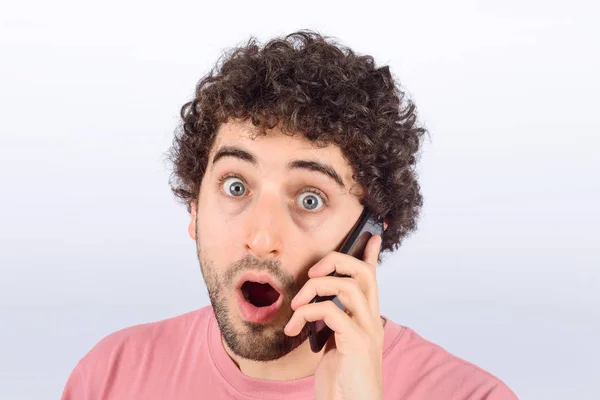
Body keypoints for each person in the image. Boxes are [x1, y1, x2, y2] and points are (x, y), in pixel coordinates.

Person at [61, 30, 517, 400]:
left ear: (370, 234)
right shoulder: (107, 377)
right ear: (195, 208)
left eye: (310, 199)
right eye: (236, 186)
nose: (261, 237)